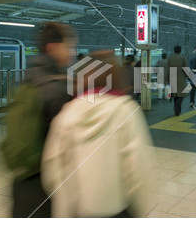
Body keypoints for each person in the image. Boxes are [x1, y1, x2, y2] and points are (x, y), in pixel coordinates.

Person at [41, 50, 153, 218]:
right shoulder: (125, 111)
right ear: (116, 75)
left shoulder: (67, 113)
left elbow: (52, 166)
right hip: (115, 210)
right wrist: (141, 209)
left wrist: (65, 201)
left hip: (77, 211)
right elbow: (139, 167)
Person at [6, 22, 76, 218]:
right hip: (47, 186)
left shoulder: (27, 80)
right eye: (68, 46)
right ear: (52, 47)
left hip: (21, 180)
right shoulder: (58, 88)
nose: (71, 52)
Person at [167, 45, 188, 116]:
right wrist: (185, 76)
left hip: (172, 78)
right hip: (181, 78)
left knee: (174, 94)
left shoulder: (170, 58)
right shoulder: (183, 58)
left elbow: (167, 70)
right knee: (180, 95)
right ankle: (177, 109)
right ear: (180, 51)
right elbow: (186, 69)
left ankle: (176, 107)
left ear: (174, 50)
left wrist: (167, 79)